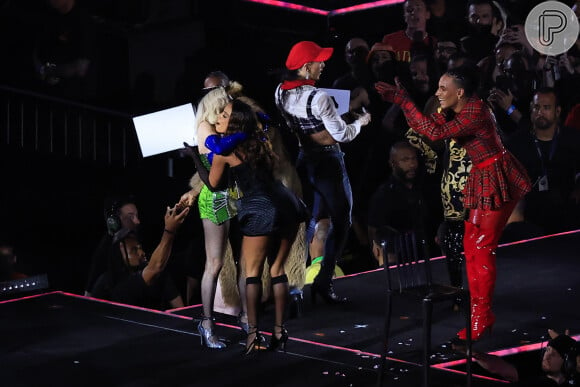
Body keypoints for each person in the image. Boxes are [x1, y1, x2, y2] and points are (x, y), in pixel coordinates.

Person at [375, 64, 531, 341]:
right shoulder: (456, 108)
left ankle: (482, 318)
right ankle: (477, 312)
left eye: (443, 88)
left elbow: (434, 134)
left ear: (460, 92)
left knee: (481, 248)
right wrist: (406, 101)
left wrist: (403, 101)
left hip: (496, 174)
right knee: (471, 245)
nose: (437, 92)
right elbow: (428, 127)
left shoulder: (475, 111)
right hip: (483, 172)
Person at [188, 98, 305, 355]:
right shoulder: (260, 140)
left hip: (261, 207)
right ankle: (279, 330)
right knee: (277, 270)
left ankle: (253, 335)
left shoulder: (225, 152)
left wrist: (195, 158)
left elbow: (214, 185)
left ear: (235, 122)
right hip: (288, 203)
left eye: (225, 115)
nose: (218, 118)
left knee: (251, 273)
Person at [274, 40, 371, 304]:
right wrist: (360, 122)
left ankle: (292, 284)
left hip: (304, 158)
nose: (323, 64)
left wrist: (323, 129)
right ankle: (323, 280)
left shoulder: (280, 92)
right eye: (319, 61)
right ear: (306, 67)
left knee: (307, 221)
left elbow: (305, 128)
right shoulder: (319, 98)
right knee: (342, 220)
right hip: (328, 162)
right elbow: (341, 134)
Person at [179, 85, 246, 349]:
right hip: (215, 198)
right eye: (226, 101)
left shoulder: (223, 124)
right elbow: (215, 171)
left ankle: (246, 316)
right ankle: (206, 323)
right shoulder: (205, 128)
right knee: (214, 263)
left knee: (244, 261)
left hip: (234, 196)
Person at [506, 88, 580, 234]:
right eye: (536, 107)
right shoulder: (516, 143)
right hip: (529, 216)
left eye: (546, 108)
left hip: (569, 215)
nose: (540, 112)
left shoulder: (573, 139)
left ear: (557, 111)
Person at [91, 203, 189, 310]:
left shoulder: (161, 276)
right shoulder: (113, 283)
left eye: (140, 248)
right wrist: (169, 230)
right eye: (134, 250)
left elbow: (180, 310)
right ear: (120, 254)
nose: (141, 253)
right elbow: (155, 267)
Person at [367, 141, 430, 266]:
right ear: (393, 163)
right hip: (400, 262)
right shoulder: (384, 194)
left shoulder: (425, 186)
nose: (412, 164)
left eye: (413, 159)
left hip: (427, 256)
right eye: (405, 160)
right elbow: (373, 230)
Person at [472, 329, 579, 386]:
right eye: (547, 351)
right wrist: (473, 353)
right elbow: (500, 368)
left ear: (567, 360)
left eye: (554, 354)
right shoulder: (534, 373)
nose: (547, 357)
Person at [84, 195, 141, 297]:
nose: (137, 221)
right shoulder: (105, 250)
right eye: (131, 217)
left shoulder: (136, 239)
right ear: (114, 220)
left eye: (137, 216)